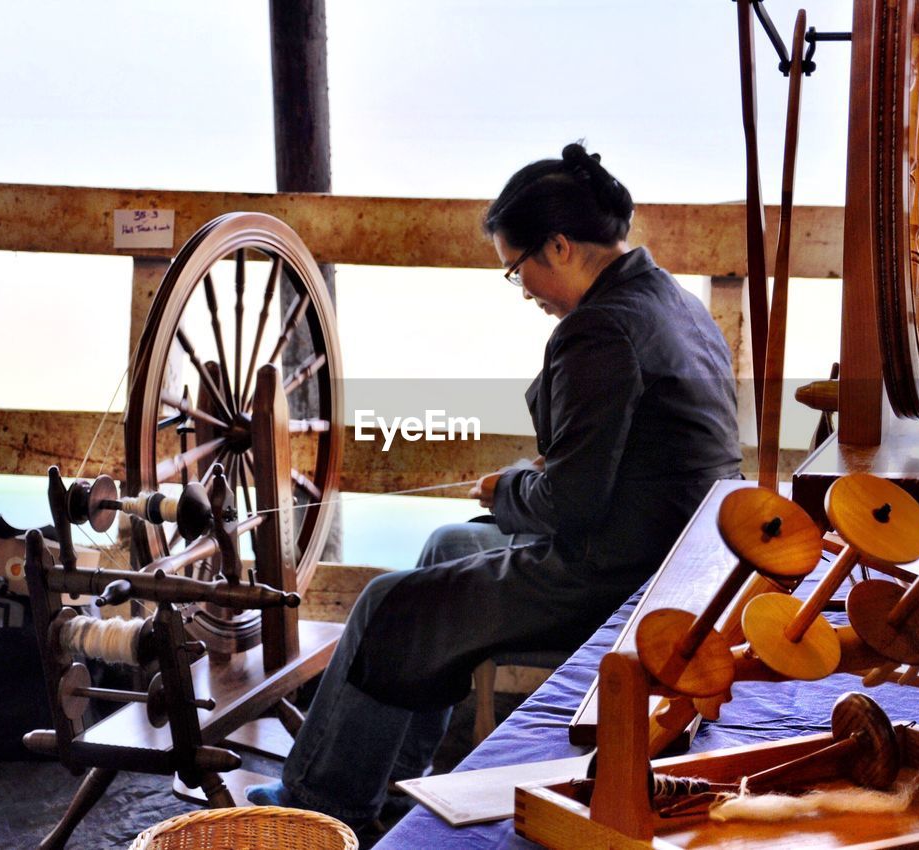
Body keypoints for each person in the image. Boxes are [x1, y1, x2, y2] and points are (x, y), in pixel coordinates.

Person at [247, 142, 741, 835]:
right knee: (447, 545)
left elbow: (571, 506)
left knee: (388, 604)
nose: (526, 289)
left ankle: (318, 809)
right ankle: (397, 783)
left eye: (518, 269)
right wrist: (524, 488)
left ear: (561, 246)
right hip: (674, 549)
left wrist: (507, 488)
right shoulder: (668, 300)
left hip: (622, 571)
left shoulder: (598, 330)